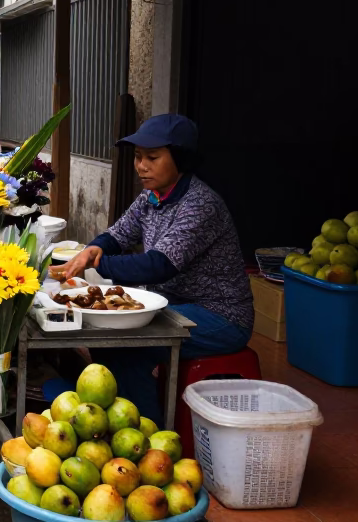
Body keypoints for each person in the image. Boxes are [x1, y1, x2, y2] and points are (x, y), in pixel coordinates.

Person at [51, 114, 253, 423]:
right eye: (138, 157)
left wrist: (94, 263)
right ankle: (113, 422)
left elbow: (159, 265)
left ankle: (145, 435)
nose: (141, 165)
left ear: (180, 160)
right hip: (175, 306)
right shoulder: (151, 197)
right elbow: (118, 235)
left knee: (131, 346)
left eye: (152, 157)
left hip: (220, 315)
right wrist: (95, 247)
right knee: (109, 340)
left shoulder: (200, 205)